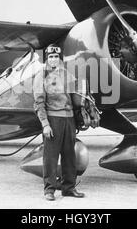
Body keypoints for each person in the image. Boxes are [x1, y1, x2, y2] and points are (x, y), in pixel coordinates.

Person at [33, 44, 85, 201]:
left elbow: (77, 95)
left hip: (69, 119)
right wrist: (45, 124)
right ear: (47, 58)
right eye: (51, 57)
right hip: (53, 118)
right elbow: (38, 103)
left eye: (56, 57)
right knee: (51, 157)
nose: (54, 59)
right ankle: (49, 189)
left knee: (70, 155)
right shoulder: (41, 75)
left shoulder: (66, 74)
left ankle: (69, 187)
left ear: (59, 58)